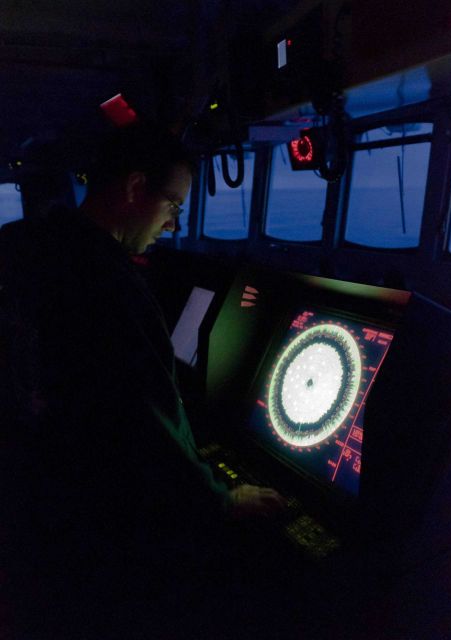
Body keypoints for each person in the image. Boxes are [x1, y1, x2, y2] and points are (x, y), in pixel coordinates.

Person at [0, 121, 285, 639]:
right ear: (134, 189)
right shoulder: (107, 281)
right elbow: (149, 415)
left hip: (29, 494)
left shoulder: (28, 245)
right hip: (87, 518)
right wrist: (224, 498)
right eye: (172, 206)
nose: (173, 225)